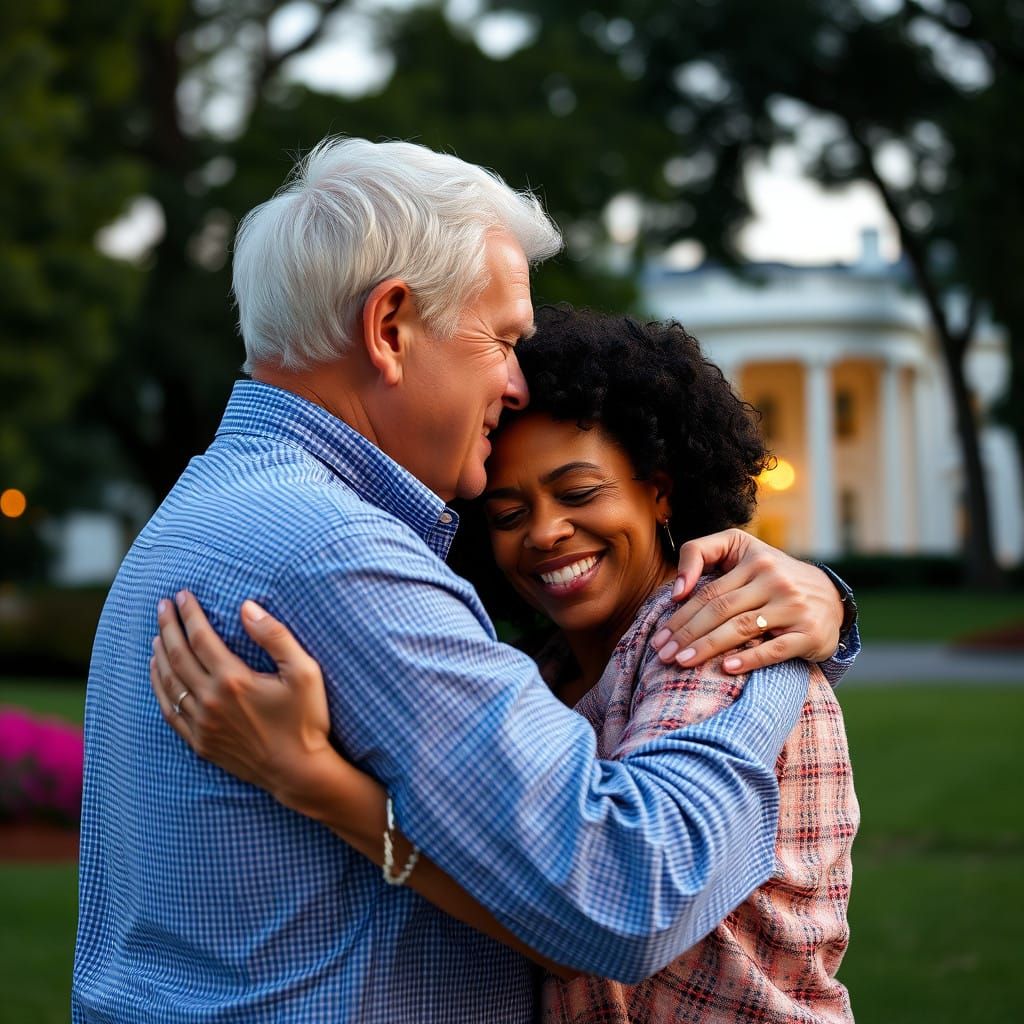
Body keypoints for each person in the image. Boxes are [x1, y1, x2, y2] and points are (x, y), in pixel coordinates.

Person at [74, 136, 859, 1023]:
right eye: (502, 340)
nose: (517, 383)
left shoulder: (203, 511)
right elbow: (623, 891)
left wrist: (812, 614)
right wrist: (781, 657)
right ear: (391, 327)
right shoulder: (340, 555)